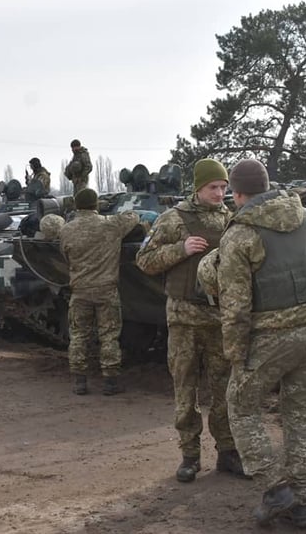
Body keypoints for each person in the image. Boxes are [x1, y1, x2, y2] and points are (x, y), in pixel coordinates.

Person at [216, 159, 306, 529]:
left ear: (237, 193)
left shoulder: (240, 236)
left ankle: (276, 490)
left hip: (270, 336)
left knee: (241, 407)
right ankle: (302, 503)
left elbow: (236, 307)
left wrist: (236, 354)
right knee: (300, 414)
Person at [135, 158, 245, 483]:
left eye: (223, 187)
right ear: (198, 187)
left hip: (220, 318)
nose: (219, 193)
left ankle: (228, 452)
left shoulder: (231, 220)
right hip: (184, 318)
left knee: (225, 390)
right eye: (213, 187)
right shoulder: (173, 219)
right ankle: (190, 455)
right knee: (185, 389)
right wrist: (180, 249)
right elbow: (144, 260)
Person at [59, 188, 139, 396]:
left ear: (76, 206)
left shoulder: (66, 230)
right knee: (109, 336)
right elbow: (133, 216)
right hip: (106, 290)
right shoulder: (110, 225)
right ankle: (110, 382)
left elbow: (65, 256)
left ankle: (79, 381)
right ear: (96, 204)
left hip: (80, 290)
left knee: (78, 336)